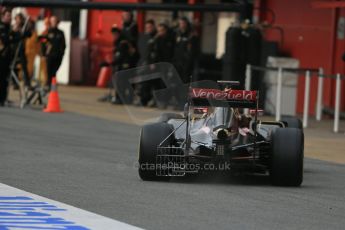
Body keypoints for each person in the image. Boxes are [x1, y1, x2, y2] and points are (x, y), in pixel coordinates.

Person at [173, 17, 199, 83]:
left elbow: (193, 49)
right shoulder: (177, 34)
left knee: (185, 79)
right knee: (177, 79)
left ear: (186, 24)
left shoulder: (191, 34)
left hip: (187, 62)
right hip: (177, 61)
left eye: (183, 23)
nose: (182, 25)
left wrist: (189, 59)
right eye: (180, 23)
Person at [11, 13, 32, 89]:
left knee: (24, 66)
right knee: (13, 66)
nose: (18, 21)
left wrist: (26, 28)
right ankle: (15, 83)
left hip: (21, 50)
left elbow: (29, 34)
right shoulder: (13, 27)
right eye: (16, 19)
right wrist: (14, 31)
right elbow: (11, 37)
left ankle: (27, 83)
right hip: (14, 50)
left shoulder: (24, 27)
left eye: (19, 19)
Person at [45, 16, 66, 89]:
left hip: (58, 56)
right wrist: (44, 53)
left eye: (55, 21)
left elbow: (64, 45)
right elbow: (43, 42)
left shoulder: (61, 33)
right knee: (49, 71)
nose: (54, 23)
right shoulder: (47, 32)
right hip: (49, 55)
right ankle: (48, 85)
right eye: (52, 21)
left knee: (54, 71)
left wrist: (61, 53)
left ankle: (52, 86)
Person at [0, 9, 11, 106]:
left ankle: (3, 99)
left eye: (10, 16)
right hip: (1, 57)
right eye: (7, 16)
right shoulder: (2, 27)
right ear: (3, 16)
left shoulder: (9, 28)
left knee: (4, 80)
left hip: (6, 58)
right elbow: (6, 40)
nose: (9, 18)